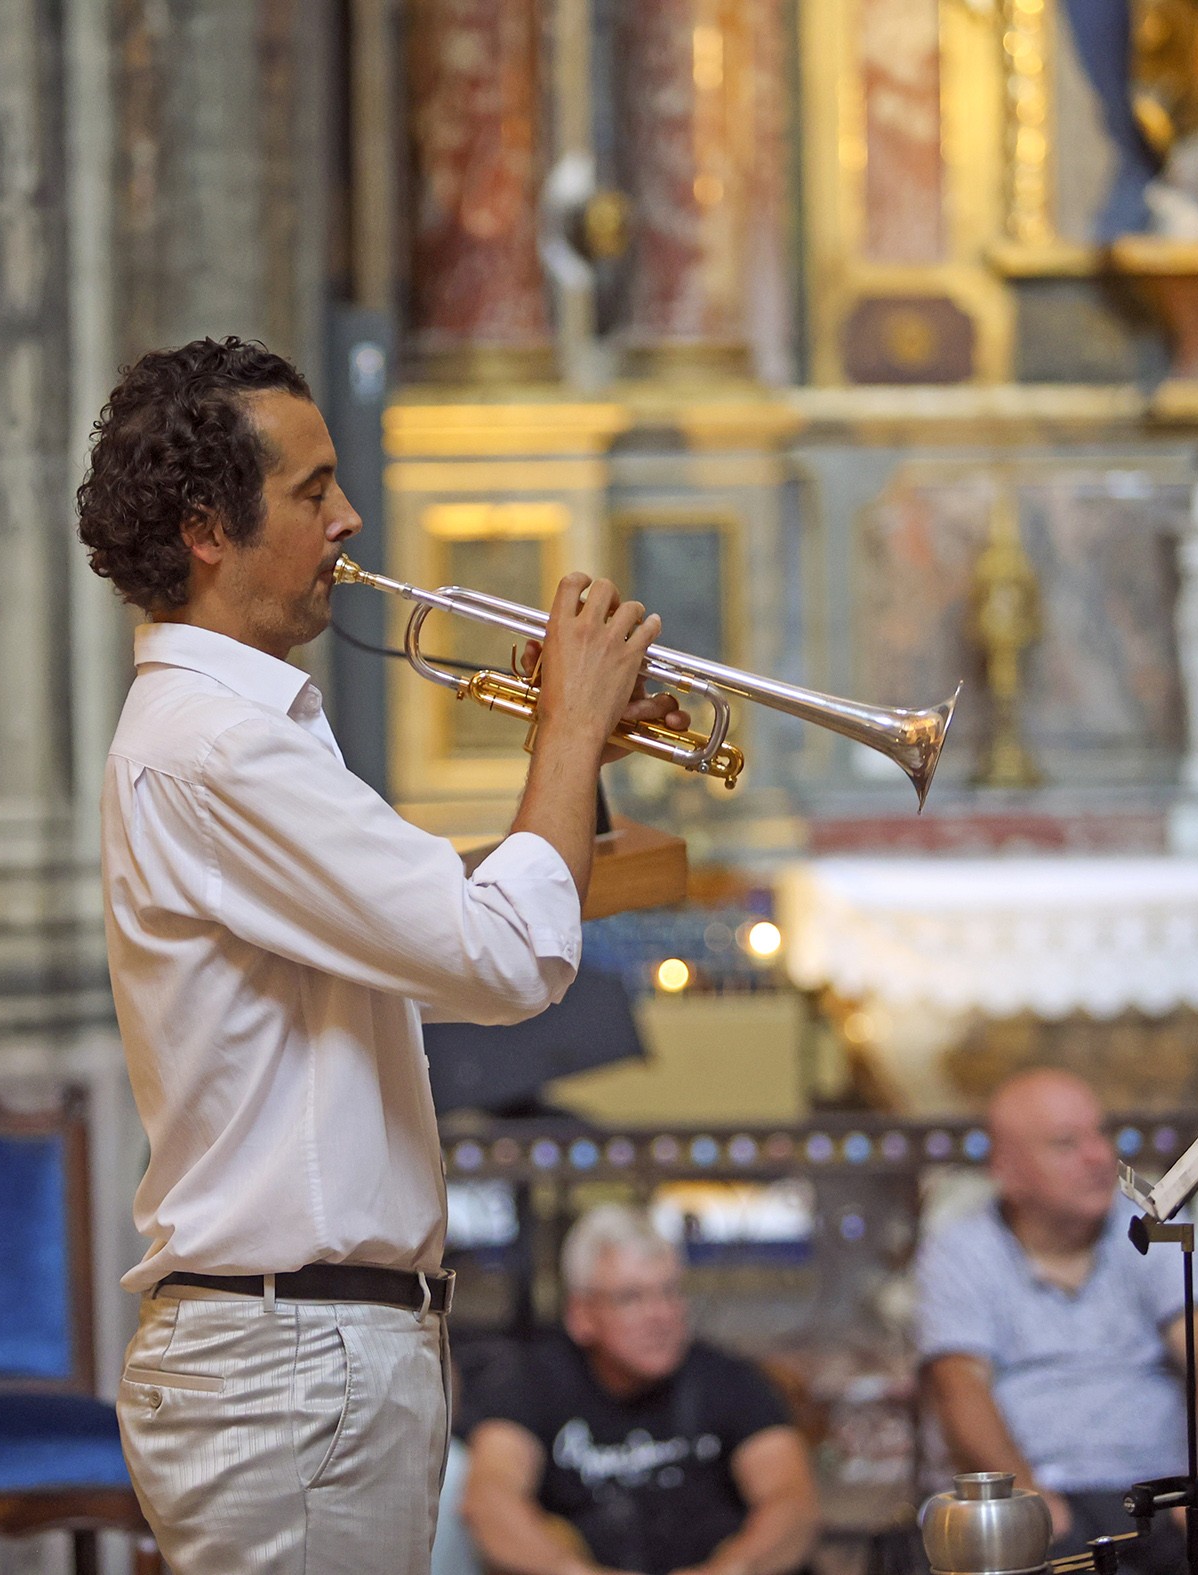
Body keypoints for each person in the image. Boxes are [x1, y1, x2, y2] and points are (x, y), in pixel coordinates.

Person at [82, 338, 684, 1575]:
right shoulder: (218, 748)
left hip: (307, 1353)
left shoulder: (234, 736)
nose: (350, 519)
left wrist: (570, 771)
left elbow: (430, 920)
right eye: (311, 493)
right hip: (291, 1362)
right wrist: (565, 727)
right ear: (209, 529)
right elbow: (504, 958)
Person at [917, 1069, 1198, 1575]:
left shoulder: (1148, 1231)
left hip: (1158, 1497)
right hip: (1041, 1497)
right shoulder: (960, 1252)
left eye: (1101, 1134)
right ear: (1007, 1170)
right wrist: (1025, 1497)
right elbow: (959, 1387)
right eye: (1066, 1144)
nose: (1100, 1156)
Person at [459, 1205, 821, 1575]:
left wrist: (733, 1568)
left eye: (670, 1292)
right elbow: (490, 1501)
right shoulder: (530, 1382)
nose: (659, 1315)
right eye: (631, 1298)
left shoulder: (728, 1379)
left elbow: (792, 1502)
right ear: (581, 1315)